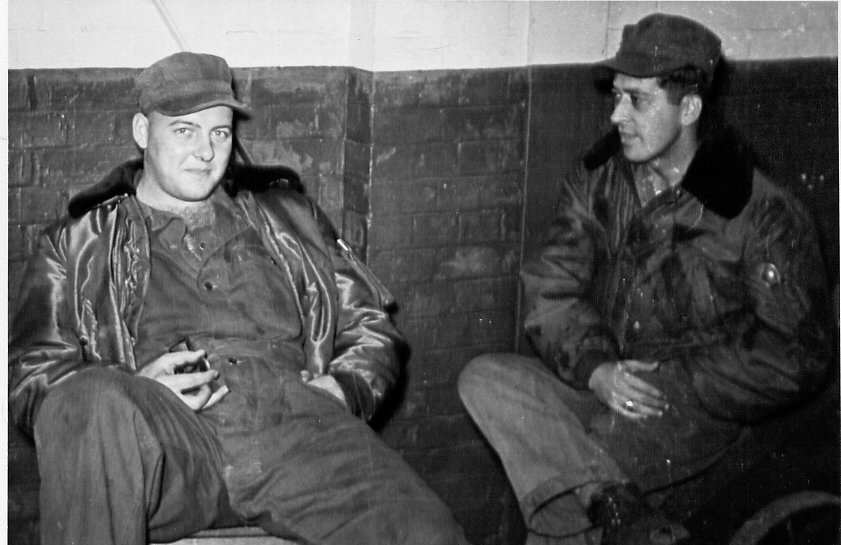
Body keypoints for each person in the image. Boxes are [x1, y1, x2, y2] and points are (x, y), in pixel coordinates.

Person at [9, 51, 471, 545]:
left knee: (430, 533)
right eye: (185, 131)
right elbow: (35, 377)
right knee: (88, 399)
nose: (206, 152)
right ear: (142, 132)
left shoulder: (288, 217)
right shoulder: (78, 241)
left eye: (220, 133)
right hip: (171, 445)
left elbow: (369, 324)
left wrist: (345, 388)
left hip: (296, 432)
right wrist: (133, 389)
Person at [458, 13, 830, 545]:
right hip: (605, 382)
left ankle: (601, 504)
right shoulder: (598, 180)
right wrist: (596, 369)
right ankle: (620, 508)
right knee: (485, 379)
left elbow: (795, 354)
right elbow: (551, 287)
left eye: (637, 100)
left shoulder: (761, 210)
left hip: (691, 410)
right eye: (616, 96)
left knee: (568, 476)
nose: (616, 115)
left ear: (689, 109)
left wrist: (679, 379)